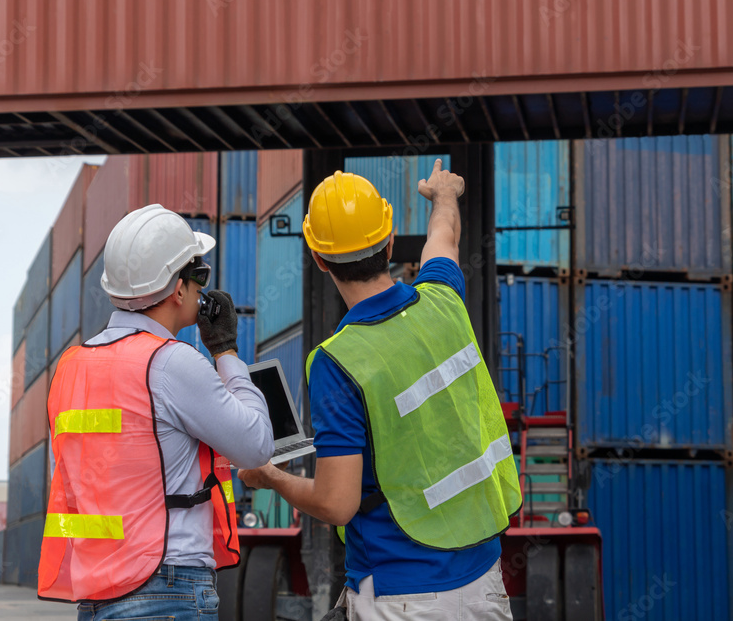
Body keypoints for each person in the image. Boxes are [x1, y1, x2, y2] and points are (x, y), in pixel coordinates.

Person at [240, 160, 521, 620]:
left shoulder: (337, 361)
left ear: (317, 258)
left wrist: (269, 476)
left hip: (400, 596)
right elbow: (444, 236)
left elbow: (336, 503)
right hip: (484, 585)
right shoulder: (443, 300)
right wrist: (445, 194)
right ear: (390, 242)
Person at [38, 204, 274, 621]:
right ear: (178, 290)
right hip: (168, 591)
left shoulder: (71, 368)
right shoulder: (170, 363)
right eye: (199, 274)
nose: (203, 288)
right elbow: (256, 446)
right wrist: (225, 351)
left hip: (97, 595)